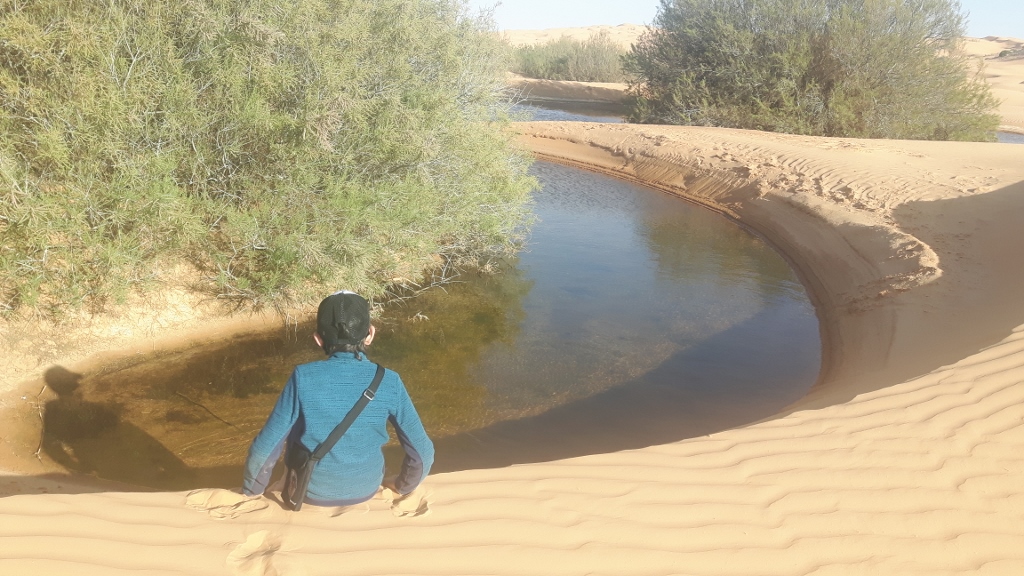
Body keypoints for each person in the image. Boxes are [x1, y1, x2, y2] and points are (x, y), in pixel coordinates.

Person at [242, 291, 434, 507]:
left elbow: (264, 449)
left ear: (318, 339)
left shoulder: (303, 377)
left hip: (308, 492)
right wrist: (403, 486)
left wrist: (252, 493)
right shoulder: (389, 380)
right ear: (370, 334)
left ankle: (286, 478)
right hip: (367, 489)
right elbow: (423, 452)